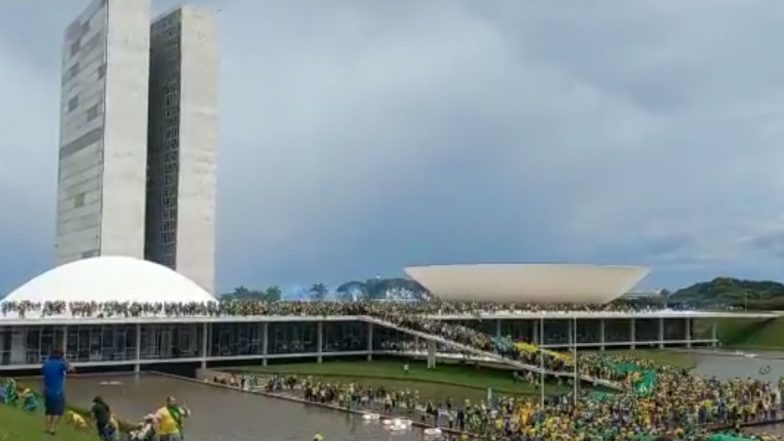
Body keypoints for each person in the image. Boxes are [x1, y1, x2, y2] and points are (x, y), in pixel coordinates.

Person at [41, 348, 72, 435]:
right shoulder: (61, 364)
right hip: (58, 392)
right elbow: (70, 368)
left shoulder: (46, 364)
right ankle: (52, 429)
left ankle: (47, 428)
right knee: (57, 411)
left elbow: (44, 376)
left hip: (47, 391)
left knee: (48, 411)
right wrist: (65, 360)